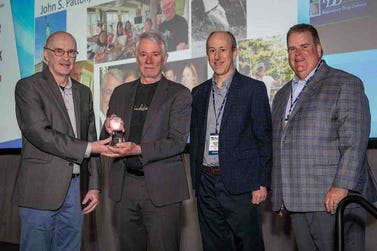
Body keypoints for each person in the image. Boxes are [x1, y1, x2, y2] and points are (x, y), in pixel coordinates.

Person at [271, 23, 377, 251]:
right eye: (291, 49)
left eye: (304, 46)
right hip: (297, 201)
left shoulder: (345, 84)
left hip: (333, 199)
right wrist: (280, 194)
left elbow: (354, 141)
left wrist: (341, 185)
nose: (297, 54)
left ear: (319, 49)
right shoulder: (281, 96)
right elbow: (280, 145)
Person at [13, 31, 111, 251]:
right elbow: (40, 133)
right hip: (40, 190)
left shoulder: (84, 92)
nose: (66, 57)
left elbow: (91, 138)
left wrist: (94, 185)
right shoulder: (27, 87)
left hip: (77, 189)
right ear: (46, 54)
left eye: (71, 52)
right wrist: (88, 148)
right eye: (59, 51)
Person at [101, 31, 192, 251]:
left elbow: (177, 141)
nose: (149, 61)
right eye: (143, 54)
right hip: (125, 186)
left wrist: (138, 149)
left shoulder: (179, 94)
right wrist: (107, 125)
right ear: (136, 56)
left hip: (162, 188)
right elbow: (106, 137)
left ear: (165, 58)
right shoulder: (121, 93)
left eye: (155, 54)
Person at [190, 31, 272, 251]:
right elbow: (197, 140)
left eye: (223, 50)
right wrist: (196, 182)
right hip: (206, 183)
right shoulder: (198, 93)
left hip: (243, 184)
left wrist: (262, 182)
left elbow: (263, 137)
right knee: (213, 246)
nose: (217, 56)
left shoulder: (253, 89)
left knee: (249, 245)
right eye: (212, 50)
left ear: (234, 52)